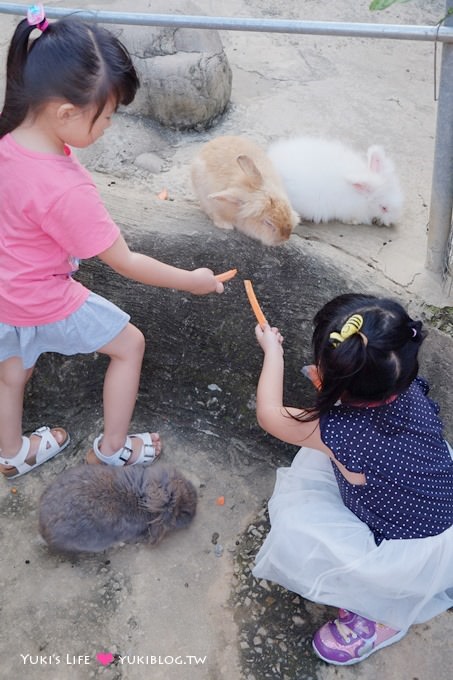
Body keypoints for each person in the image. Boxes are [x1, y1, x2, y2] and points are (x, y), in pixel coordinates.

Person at [0, 8, 224, 479]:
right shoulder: (66, 189)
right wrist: (192, 280)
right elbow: (123, 260)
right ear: (66, 112)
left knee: (14, 369)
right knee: (129, 345)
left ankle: (13, 453)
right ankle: (111, 450)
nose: (108, 127)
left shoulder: (6, 141)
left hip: (3, 292)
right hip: (41, 297)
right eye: (105, 116)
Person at [252, 293, 453, 665]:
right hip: (433, 500)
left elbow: (269, 414)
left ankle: (384, 616)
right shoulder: (404, 387)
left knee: (302, 532)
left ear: (331, 373)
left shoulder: (342, 433)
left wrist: (272, 352)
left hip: (405, 546)